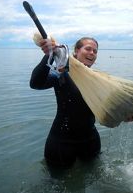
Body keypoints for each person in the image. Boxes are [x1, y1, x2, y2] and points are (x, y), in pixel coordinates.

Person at [30, 37, 101, 168]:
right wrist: (51, 54)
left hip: (90, 140)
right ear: (77, 51)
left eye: (95, 51)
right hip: (62, 142)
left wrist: (127, 114)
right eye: (88, 49)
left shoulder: (99, 79)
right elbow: (36, 83)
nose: (92, 53)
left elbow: (109, 106)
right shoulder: (61, 74)